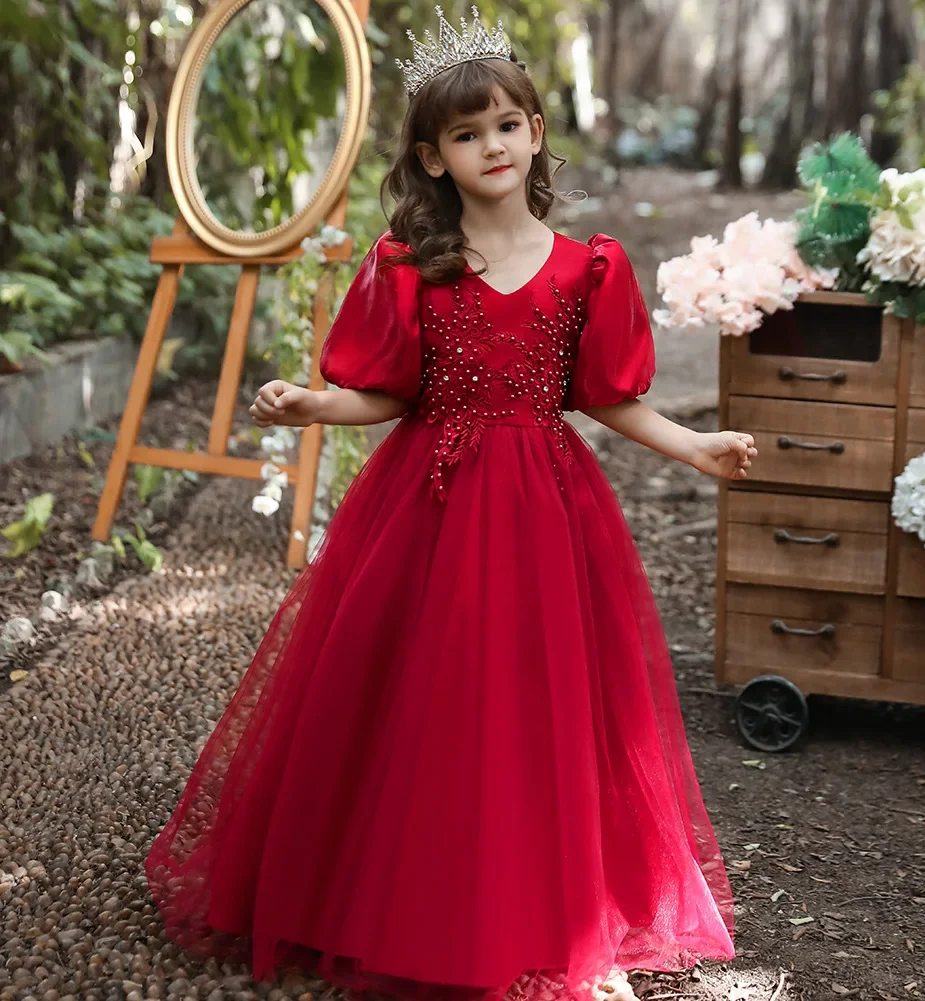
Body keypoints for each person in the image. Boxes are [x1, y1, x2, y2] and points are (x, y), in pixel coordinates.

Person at [145, 8, 756, 1001]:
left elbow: (604, 396)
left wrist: (694, 445)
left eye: (506, 125)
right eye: (466, 135)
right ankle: (393, 895)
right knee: (418, 698)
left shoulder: (584, 268)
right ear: (433, 157)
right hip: (426, 508)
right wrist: (313, 405)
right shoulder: (409, 266)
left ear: (536, 133)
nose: (491, 146)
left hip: (542, 514)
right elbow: (388, 392)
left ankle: (554, 906)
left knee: (535, 704)